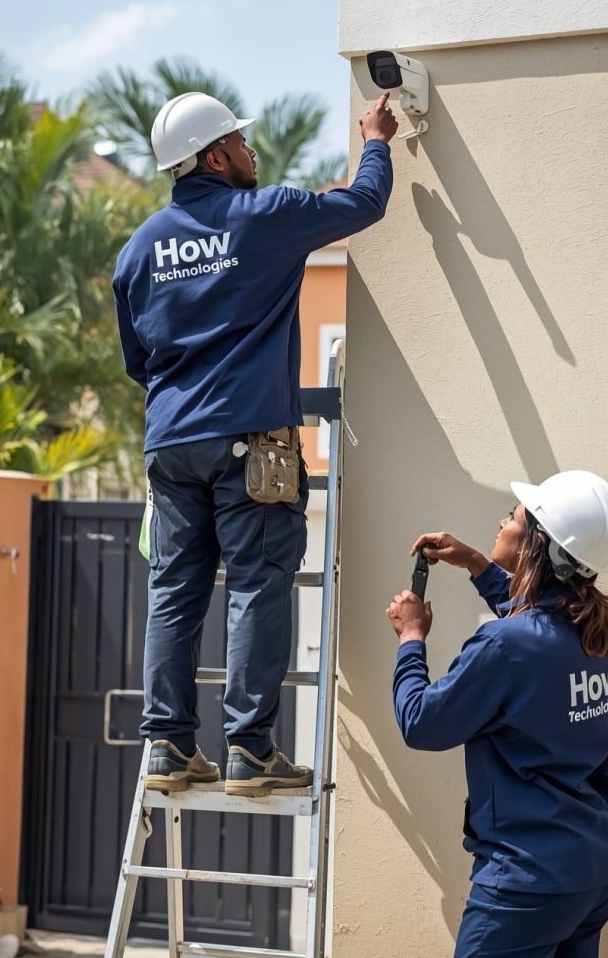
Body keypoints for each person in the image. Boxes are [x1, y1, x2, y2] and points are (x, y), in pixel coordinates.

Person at [113, 88, 397, 796]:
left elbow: (136, 362)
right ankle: (250, 749)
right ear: (213, 155)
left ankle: (167, 747)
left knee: (173, 592)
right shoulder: (263, 216)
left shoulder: (139, 249)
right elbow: (363, 204)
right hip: (247, 438)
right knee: (257, 585)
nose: (251, 151)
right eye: (240, 143)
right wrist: (376, 139)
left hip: (170, 442)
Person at [386, 471, 608, 958]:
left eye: (514, 517)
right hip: (594, 874)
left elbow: (422, 722)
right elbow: (536, 627)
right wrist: (476, 563)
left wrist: (411, 639)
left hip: (527, 883)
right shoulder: (600, 632)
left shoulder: (505, 645)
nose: (502, 520)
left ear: (537, 543)